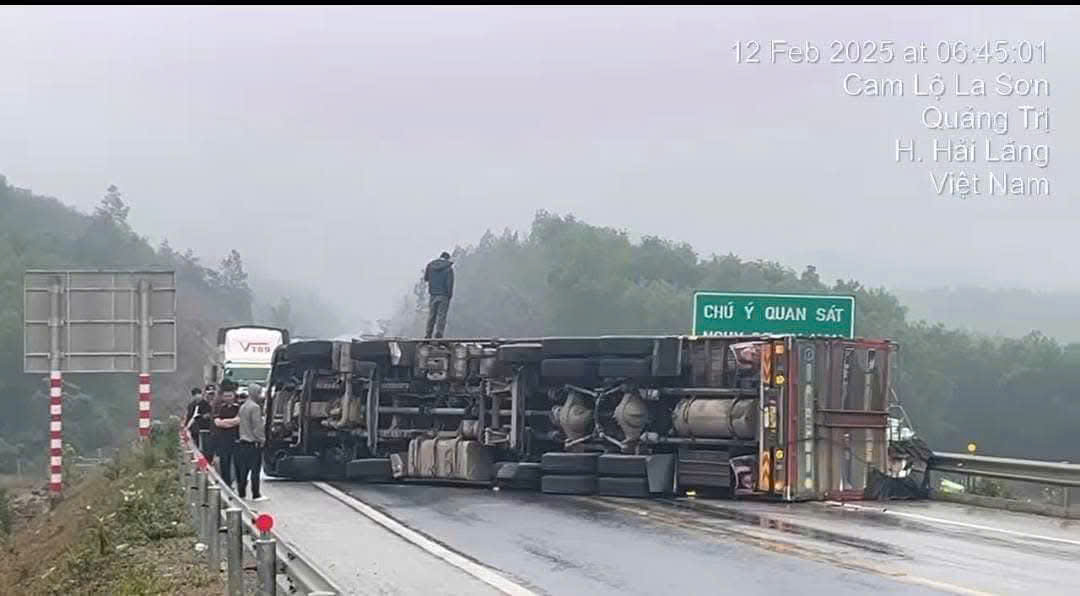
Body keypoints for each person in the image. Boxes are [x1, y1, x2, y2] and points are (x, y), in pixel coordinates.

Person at [231, 383, 268, 502]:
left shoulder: (243, 407)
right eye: (259, 392)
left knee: (243, 470)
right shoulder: (255, 408)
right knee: (255, 470)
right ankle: (256, 494)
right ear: (254, 393)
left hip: (242, 442)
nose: (260, 395)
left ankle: (241, 492)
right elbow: (257, 426)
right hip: (253, 443)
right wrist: (262, 439)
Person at [212, 380, 241, 488]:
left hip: (237, 438)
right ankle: (226, 484)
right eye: (226, 396)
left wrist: (225, 422)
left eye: (230, 395)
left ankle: (240, 483)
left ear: (234, 395)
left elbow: (239, 420)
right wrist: (231, 422)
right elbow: (217, 422)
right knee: (224, 461)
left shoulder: (239, 406)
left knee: (238, 462)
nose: (228, 397)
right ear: (223, 396)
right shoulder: (219, 407)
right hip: (223, 439)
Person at [423, 251, 454, 339]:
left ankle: (428, 334)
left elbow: (426, 278)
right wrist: (449, 295)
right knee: (441, 315)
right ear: (447, 258)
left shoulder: (430, 266)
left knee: (431, 315)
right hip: (444, 295)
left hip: (433, 294)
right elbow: (449, 284)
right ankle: (439, 333)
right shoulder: (448, 269)